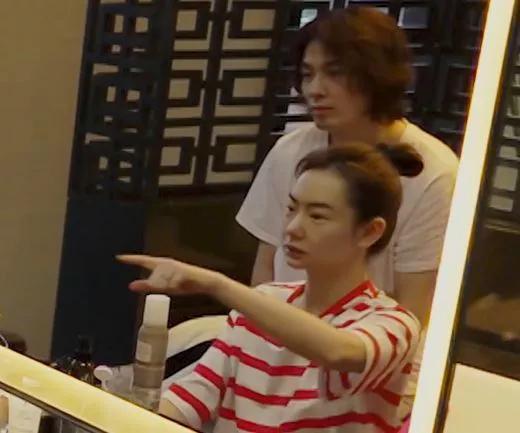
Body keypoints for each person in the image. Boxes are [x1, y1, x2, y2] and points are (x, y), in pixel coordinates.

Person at [235, 7, 458, 415]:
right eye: (307, 74)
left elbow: (414, 312)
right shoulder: (291, 151)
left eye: (334, 73)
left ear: (377, 75)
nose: (315, 90)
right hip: (276, 356)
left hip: (366, 374)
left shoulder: (433, 173)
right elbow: (265, 268)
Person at [119, 142, 423, 433]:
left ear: (370, 231)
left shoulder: (394, 324)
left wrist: (216, 284)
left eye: (317, 216)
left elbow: (337, 351)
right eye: (291, 209)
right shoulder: (264, 301)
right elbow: (192, 400)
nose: (292, 228)